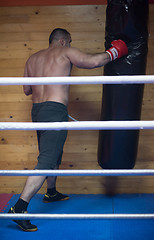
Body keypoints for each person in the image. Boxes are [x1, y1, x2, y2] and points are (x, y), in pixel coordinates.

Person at [8, 28, 128, 232]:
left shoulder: (33, 58)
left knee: (53, 154)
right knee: (46, 161)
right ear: (63, 41)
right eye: (70, 41)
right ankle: (19, 209)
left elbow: (27, 90)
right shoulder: (65, 52)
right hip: (54, 111)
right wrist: (114, 52)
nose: (70, 44)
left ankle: (51, 192)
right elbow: (93, 62)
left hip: (37, 111)